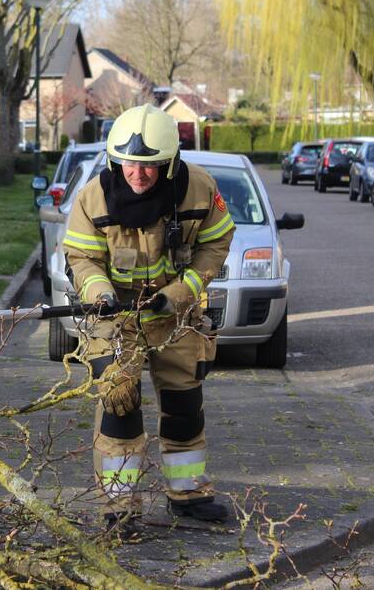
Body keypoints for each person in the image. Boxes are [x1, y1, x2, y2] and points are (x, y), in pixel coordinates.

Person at [63, 104, 235, 533]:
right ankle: (119, 508)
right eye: (128, 166)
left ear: (170, 163)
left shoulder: (199, 190)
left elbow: (215, 247)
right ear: (114, 161)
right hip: (115, 318)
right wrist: (98, 292)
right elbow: (81, 258)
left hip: (176, 317)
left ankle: (189, 495)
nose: (137, 176)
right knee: (120, 407)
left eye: (149, 167)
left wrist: (178, 294)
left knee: (183, 406)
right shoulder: (93, 198)